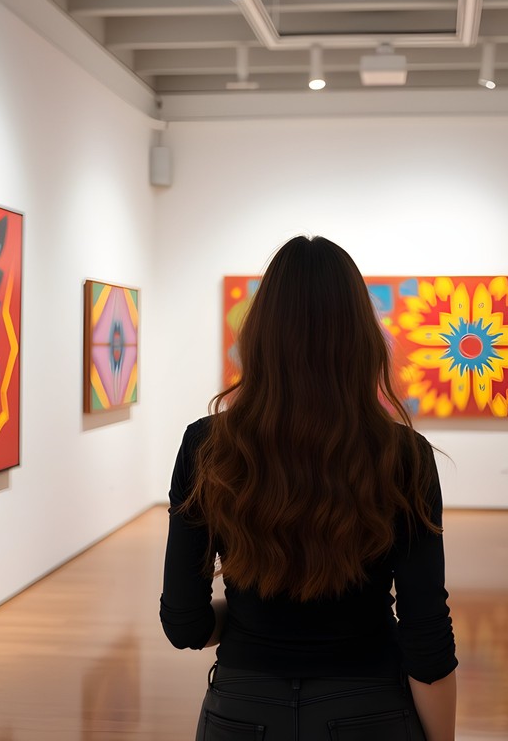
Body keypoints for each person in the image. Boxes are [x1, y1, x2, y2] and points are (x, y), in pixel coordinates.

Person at [160, 236, 457, 740]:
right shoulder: (404, 453)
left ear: (258, 336)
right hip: (369, 707)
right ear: (362, 336)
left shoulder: (207, 445)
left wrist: (252, 617)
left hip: (242, 709)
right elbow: (425, 633)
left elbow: (184, 623)